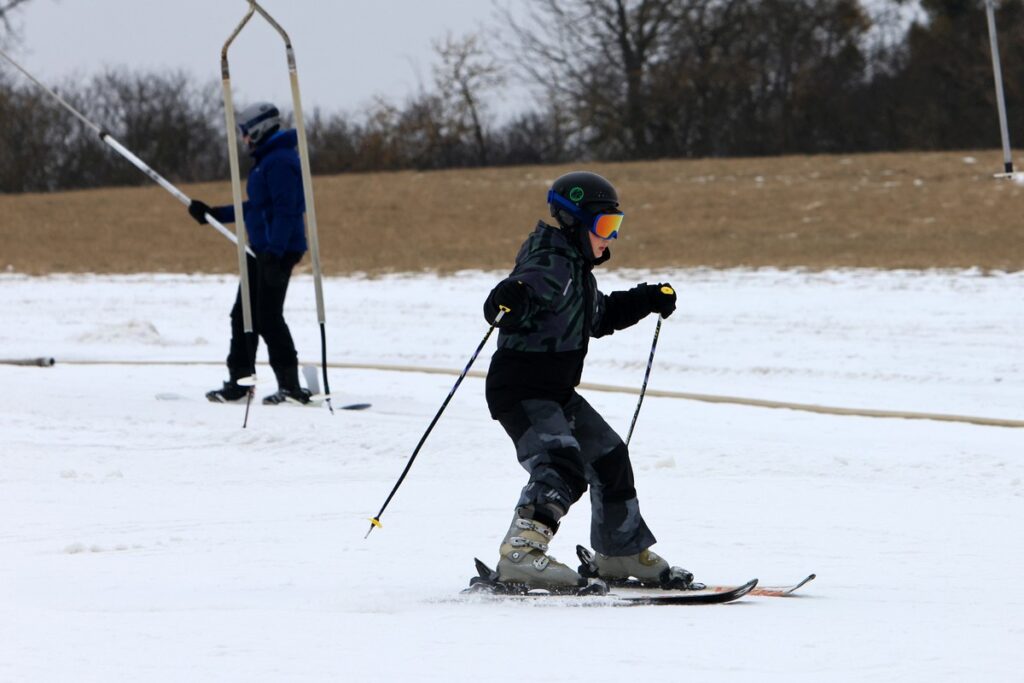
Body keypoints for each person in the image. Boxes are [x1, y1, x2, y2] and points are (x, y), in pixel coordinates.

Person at [482, 171, 694, 590]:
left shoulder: (576, 271)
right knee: (561, 465)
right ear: (576, 222)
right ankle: (521, 553)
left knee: (609, 456)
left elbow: (600, 317)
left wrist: (647, 298)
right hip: (521, 388)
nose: (609, 238)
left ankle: (619, 550)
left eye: (615, 227)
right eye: (603, 227)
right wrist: (507, 300)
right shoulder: (549, 263)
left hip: (556, 391)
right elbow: (517, 293)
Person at [187, 102, 311, 405]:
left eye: (244, 133)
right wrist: (214, 214)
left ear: (257, 130)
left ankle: (291, 388)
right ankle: (240, 384)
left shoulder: (280, 162)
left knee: (267, 318)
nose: (242, 139)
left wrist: (275, 252)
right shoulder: (267, 161)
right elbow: (257, 207)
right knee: (243, 316)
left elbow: (286, 210)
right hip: (262, 250)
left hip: (276, 252)